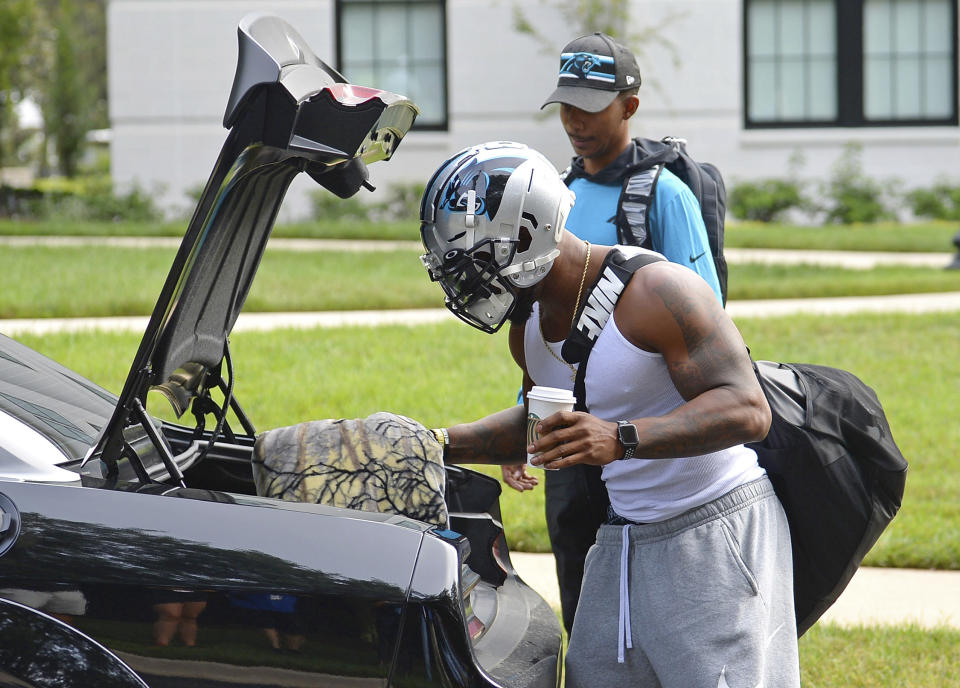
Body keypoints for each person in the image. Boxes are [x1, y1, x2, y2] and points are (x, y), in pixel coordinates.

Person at [419, 141, 799, 686]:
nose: (469, 284)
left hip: (715, 530)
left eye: (476, 263)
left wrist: (621, 438)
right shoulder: (528, 330)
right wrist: (428, 443)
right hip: (622, 538)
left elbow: (747, 409)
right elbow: (536, 424)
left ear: (526, 235)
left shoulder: (656, 291)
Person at [501, 31, 723, 633]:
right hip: (571, 432)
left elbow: (708, 319)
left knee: (656, 592)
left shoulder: (664, 195)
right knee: (581, 581)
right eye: (566, 106)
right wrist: (525, 419)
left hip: (639, 436)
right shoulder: (560, 196)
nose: (575, 121)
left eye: (591, 107)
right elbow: (542, 333)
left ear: (629, 107)